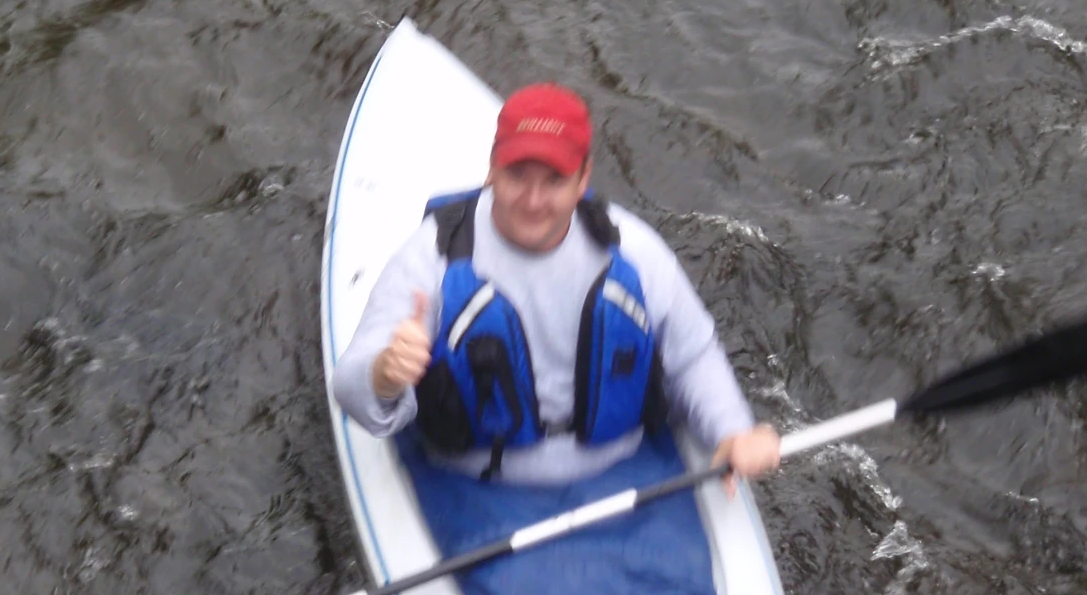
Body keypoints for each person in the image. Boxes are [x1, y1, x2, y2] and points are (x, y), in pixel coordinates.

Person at [331, 82, 781, 488]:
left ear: (583, 179)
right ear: (491, 169)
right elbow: (351, 389)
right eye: (517, 176)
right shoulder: (429, 258)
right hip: (480, 485)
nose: (532, 201)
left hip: (626, 473)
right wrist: (385, 374)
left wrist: (732, 429)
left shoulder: (635, 250)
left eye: (554, 181)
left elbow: (692, 356)